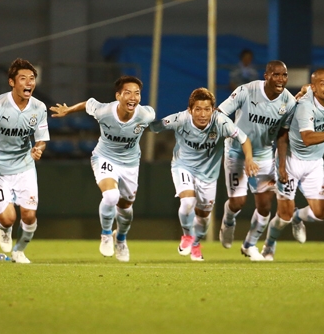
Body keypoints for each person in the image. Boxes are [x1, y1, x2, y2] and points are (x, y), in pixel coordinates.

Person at [50, 76, 155, 262]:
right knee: (110, 196)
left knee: (126, 207)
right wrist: (68, 110)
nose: (133, 97)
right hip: (104, 157)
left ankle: (120, 239)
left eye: (137, 93)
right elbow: (88, 103)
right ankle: (106, 234)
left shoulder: (146, 114)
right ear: (118, 95)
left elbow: (157, 125)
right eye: (128, 92)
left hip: (130, 164)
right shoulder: (104, 111)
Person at [150, 88, 257, 261]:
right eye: (198, 109)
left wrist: (249, 158)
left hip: (208, 175)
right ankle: (187, 236)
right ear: (190, 109)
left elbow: (244, 139)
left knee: (204, 217)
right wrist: (136, 122)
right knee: (187, 201)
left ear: (213, 110)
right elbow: (155, 127)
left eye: (207, 109)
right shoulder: (180, 119)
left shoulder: (221, 122)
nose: (202, 114)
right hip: (183, 167)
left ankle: (196, 243)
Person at [261, 69, 324, 260]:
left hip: (314, 163)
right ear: (314, 88)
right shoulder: (305, 106)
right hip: (291, 161)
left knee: (321, 214)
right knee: (283, 217)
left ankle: (298, 217)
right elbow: (308, 138)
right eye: (323, 84)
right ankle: (269, 245)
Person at [218, 60, 297, 261]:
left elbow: (282, 135)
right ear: (266, 75)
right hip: (236, 152)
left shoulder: (289, 102)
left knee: (265, 205)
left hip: (263, 156)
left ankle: (249, 245)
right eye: (276, 75)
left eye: (284, 75)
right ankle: (228, 221)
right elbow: (220, 114)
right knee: (237, 202)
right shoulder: (246, 90)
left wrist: (281, 166)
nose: (281, 79)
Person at [0, 58, 49, 264]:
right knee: (9, 218)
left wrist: (38, 149)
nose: (28, 83)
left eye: (32, 79)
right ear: (12, 82)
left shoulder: (39, 108)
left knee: (29, 216)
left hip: (24, 166)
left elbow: (41, 140)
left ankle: (19, 250)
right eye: (23, 78)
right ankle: (4, 229)